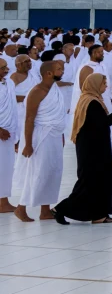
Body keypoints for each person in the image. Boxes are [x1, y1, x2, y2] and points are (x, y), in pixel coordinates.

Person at [53, 74, 112, 224]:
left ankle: (99, 215)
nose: (106, 86)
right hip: (92, 149)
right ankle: (61, 208)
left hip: (96, 146)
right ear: (95, 84)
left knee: (100, 181)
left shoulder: (93, 100)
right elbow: (102, 123)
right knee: (89, 182)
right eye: (104, 83)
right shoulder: (91, 102)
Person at [14, 60, 66, 222]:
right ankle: (21, 208)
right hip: (41, 138)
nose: (62, 71)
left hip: (54, 136)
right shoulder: (37, 91)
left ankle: (45, 210)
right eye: (59, 69)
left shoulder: (55, 89)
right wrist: (28, 144)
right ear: (48, 73)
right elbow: (29, 119)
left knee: (52, 172)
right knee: (38, 172)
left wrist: (61, 134)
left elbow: (58, 115)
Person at [0, 60, 18, 214]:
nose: (6, 69)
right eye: (2, 68)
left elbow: (12, 107)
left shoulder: (9, 83)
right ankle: (2, 203)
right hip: (1, 132)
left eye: (6, 66)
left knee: (7, 168)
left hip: (9, 132)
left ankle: (3, 201)